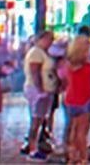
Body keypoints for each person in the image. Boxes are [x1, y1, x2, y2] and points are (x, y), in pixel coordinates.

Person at [62, 34, 90, 165]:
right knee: (82, 132)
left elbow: (66, 81)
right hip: (85, 99)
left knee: (73, 129)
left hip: (71, 99)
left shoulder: (68, 66)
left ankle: (72, 156)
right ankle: (83, 157)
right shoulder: (88, 67)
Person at [21, 30, 54, 160]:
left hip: (42, 89)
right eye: (49, 39)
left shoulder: (42, 53)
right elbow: (35, 72)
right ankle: (32, 147)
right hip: (37, 90)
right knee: (36, 119)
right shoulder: (36, 53)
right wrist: (41, 89)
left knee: (39, 119)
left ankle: (32, 145)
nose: (50, 42)